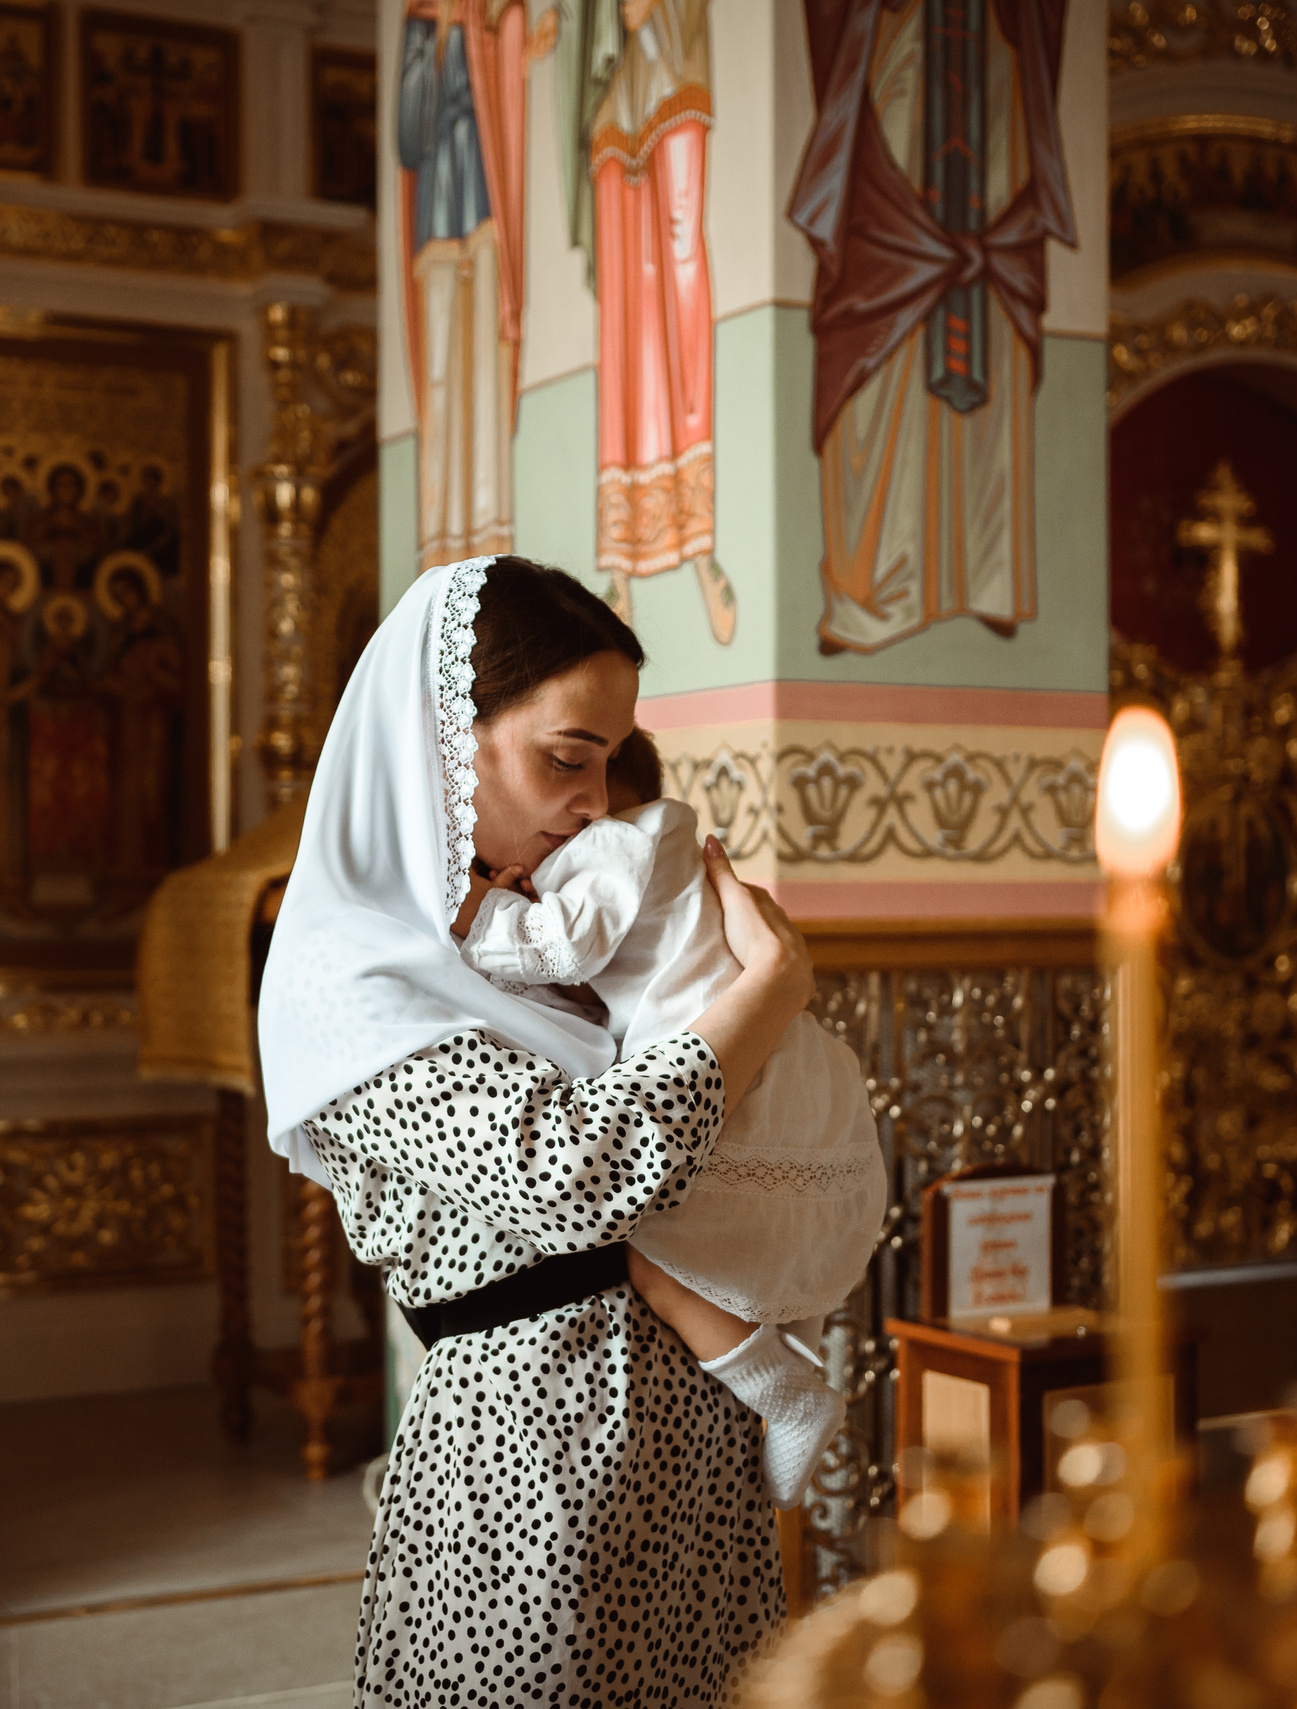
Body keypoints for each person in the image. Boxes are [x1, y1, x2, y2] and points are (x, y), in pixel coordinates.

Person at [259, 555, 813, 1704]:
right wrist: (765, 998)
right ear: (438, 736)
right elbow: (577, 1169)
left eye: (610, 762)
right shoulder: (342, 972)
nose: (596, 802)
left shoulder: (524, 930)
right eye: (568, 756)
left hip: (693, 1455)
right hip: (535, 1465)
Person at [450, 727, 886, 1507]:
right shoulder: (661, 853)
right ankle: (798, 1363)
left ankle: (783, 1390)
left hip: (727, 1071)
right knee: (776, 1237)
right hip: (787, 1062)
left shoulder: (615, 846)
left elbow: (561, 949)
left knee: (651, 1254)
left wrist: (480, 915)